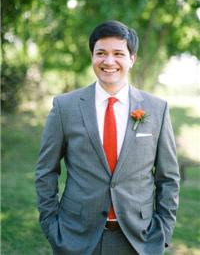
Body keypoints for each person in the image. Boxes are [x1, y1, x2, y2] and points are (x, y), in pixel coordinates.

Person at [35, 20, 180, 255]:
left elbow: (168, 178)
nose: (109, 61)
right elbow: (46, 171)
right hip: (76, 236)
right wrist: (52, 226)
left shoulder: (157, 109)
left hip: (138, 239)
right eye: (101, 53)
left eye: (118, 53)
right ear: (92, 56)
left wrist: (164, 230)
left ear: (132, 59)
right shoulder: (65, 107)